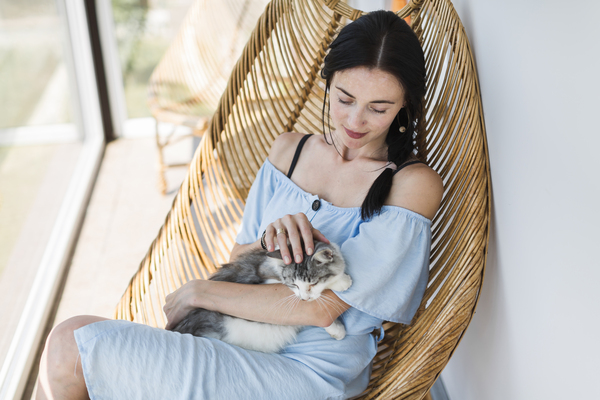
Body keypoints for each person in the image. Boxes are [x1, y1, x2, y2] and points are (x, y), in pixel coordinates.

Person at [37, 10, 443, 400]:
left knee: (72, 346)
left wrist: (199, 292)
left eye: (379, 108)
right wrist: (270, 241)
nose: (355, 121)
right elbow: (238, 264)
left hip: (302, 374)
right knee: (70, 344)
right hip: (236, 341)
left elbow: (323, 309)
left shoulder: (410, 184)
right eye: (345, 98)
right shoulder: (291, 151)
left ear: (404, 104)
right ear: (328, 81)